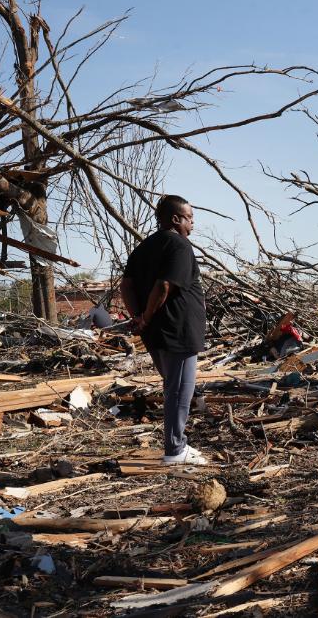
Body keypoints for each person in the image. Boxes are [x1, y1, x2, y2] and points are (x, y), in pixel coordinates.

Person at [120, 195, 208, 465]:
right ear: (175, 219)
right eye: (189, 217)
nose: (193, 223)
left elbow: (126, 285)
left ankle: (177, 443)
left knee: (174, 386)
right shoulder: (179, 245)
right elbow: (164, 286)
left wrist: (139, 317)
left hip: (157, 331)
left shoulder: (145, 246)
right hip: (177, 328)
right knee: (179, 389)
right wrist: (145, 315)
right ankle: (175, 449)